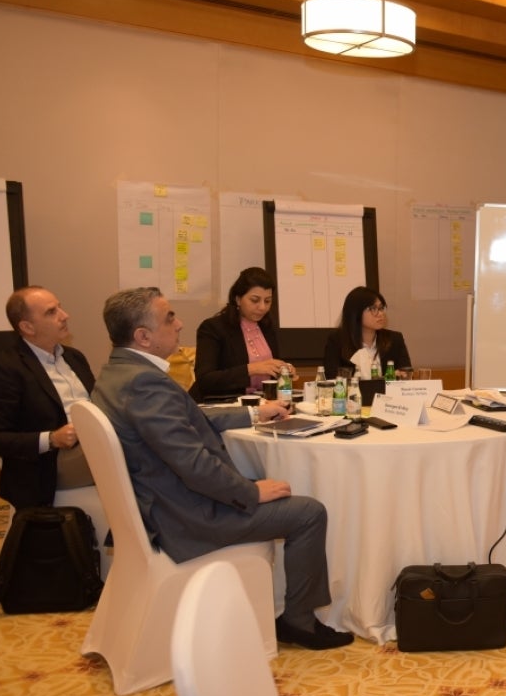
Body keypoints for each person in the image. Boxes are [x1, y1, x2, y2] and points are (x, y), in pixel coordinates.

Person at [92, 287, 352, 649]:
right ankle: (299, 620)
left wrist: (252, 412)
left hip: (158, 504)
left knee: (274, 489)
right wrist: (250, 492)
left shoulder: (117, 372)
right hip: (186, 515)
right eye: (169, 317)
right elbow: (192, 464)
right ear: (143, 336)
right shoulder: (144, 382)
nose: (179, 324)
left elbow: (189, 417)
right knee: (308, 512)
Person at [0, 287, 95, 509]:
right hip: (48, 465)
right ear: (27, 327)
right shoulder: (5, 367)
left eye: (60, 307)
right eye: (51, 312)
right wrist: (52, 439)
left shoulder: (74, 358)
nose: (65, 316)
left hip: (91, 447)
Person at [191, 267, 293, 401]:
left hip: (264, 403)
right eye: (255, 300)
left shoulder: (267, 327)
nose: (262, 307)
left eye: (267, 301)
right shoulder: (213, 328)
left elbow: (271, 371)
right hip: (223, 403)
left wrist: (284, 371)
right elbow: (206, 379)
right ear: (238, 299)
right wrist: (251, 369)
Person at [323, 286, 411, 379]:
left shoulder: (394, 339)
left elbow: (405, 373)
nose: (381, 314)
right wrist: (385, 378)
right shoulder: (337, 341)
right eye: (373, 309)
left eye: (381, 308)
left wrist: (400, 375)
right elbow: (333, 379)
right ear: (356, 312)